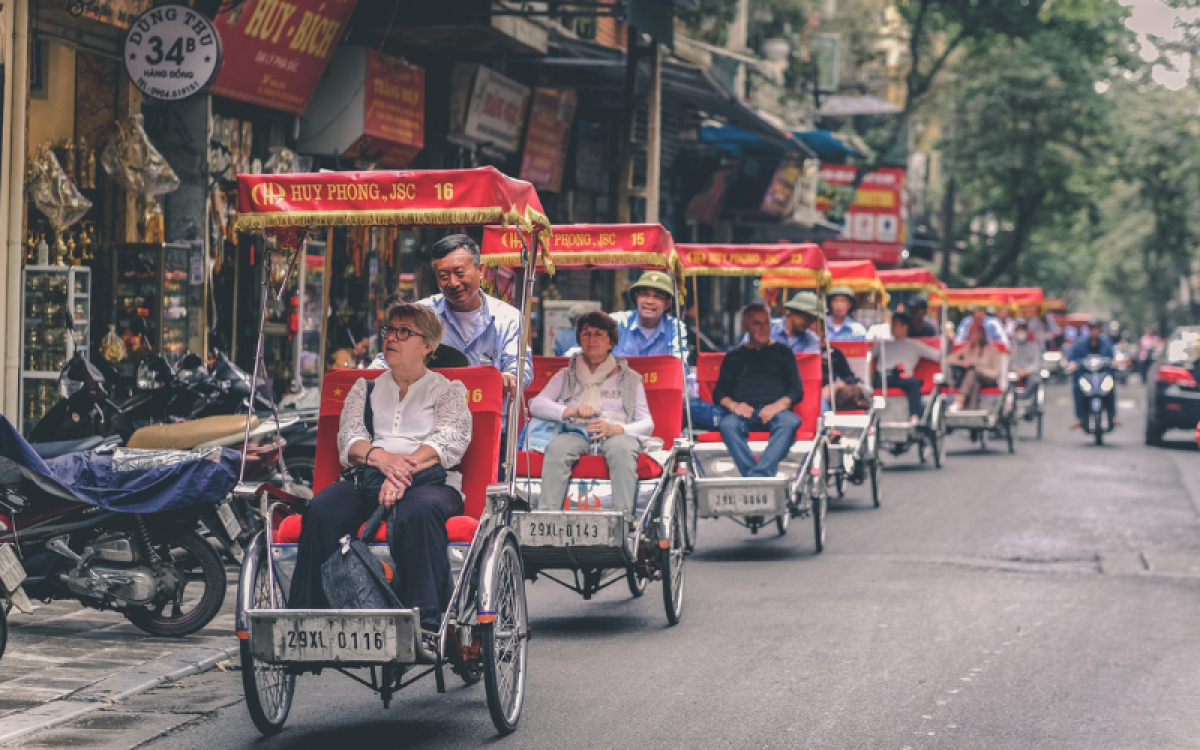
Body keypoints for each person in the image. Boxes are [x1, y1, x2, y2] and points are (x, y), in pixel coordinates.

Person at [290, 303, 471, 642]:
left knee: (419, 513)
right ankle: (309, 616)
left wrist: (401, 471)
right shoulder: (366, 388)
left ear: (428, 346)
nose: (392, 338)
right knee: (322, 508)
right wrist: (383, 461)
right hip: (369, 476)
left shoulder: (447, 390)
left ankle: (425, 621)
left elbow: (447, 440)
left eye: (405, 332)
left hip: (428, 481)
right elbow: (351, 440)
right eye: (390, 330)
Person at [372, 235, 532, 396]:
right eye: (443, 276)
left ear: (480, 270)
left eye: (460, 273)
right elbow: (388, 359)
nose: (453, 283)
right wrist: (362, 377)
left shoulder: (508, 318)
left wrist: (510, 376)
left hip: (489, 416)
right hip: (432, 416)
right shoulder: (420, 314)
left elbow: (521, 367)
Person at [530, 311, 653, 518]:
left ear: (611, 342)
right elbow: (537, 404)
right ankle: (547, 520)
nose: (592, 339)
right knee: (557, 448)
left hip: (617, 434)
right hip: (577, 432)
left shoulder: (630, 378)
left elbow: (647, 423)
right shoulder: (567, 374)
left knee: (622, 450)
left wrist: (616, 429)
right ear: (579, 339)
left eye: (599, 334)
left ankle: (621, 520)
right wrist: (570, 411)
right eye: (586, 334)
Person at [714, 304, 803, 477]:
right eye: (757, 324)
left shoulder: (783, 352)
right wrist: (735, 406)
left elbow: (796, 390)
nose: (763, 329)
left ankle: (758, 475)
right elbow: (719, 393)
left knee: (790, 422)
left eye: (766, 323)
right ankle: (755, 476)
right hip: (743, 412)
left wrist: (776, 407)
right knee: (727, 425)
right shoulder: (734, 356)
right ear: (746, 327)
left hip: (777, 411)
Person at [872, 312, 941, 422]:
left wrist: (949, 341)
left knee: (913, 384)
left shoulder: (914, 345)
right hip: (883, 377)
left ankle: (915, 418)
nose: (894, 328)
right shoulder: (882, 344)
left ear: (906, 326)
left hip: (902, 378)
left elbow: (938, 356)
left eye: (897, 324)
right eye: (893, 324)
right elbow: (868, 355)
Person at [610, 270, 688, 359]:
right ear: (636, 297)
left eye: (657, 297)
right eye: (644, 294)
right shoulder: (617, 322)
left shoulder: (675, 327)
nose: (649, 301)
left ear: (667, 304)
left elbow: (679, 365)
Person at [1068, 319, 1116, 430]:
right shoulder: (1080, 343)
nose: (1094, 331)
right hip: (1085, 375)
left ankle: (1113, 416)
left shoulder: (1106, 342)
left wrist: (1114, 362)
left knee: (1111, 388)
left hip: (1102, 375)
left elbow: (1112, 358)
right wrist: (1072, 364)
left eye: (1096, 328)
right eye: (1092, 329)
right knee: (1077, 388)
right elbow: (1072, 359)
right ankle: (1079, 417)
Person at [813, 317, 868, 413]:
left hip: (831, 394)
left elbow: (850, 377)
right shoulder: (799, 353)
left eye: (814, 331)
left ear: (823, 333)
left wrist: (836, 386)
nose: (811, 334)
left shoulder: (834, 353)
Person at [948, 323, 1002, 410]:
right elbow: (950, 358)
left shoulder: (991, 349)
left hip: (989, 378)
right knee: (976, 383)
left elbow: (997, 371)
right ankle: (972, 412)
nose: (970, 335)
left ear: (981, 334)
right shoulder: (967, 349)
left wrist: (980, 370)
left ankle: (960, 400)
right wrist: (962, 363)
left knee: (973, 372)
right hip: (975, 379)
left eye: (973, 333)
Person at [1011, 319, 1042, 398]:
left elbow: (1037, 363)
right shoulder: (1011, 346)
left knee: (1034, 379)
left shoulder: (1033, 346)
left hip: (1029, 372)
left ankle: (1024, 398)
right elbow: (1010, 361)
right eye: (1018, 330)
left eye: (1022, 330)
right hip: (1015, 372)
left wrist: (1027, 370)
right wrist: (1017, 370)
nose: (1020, 332)